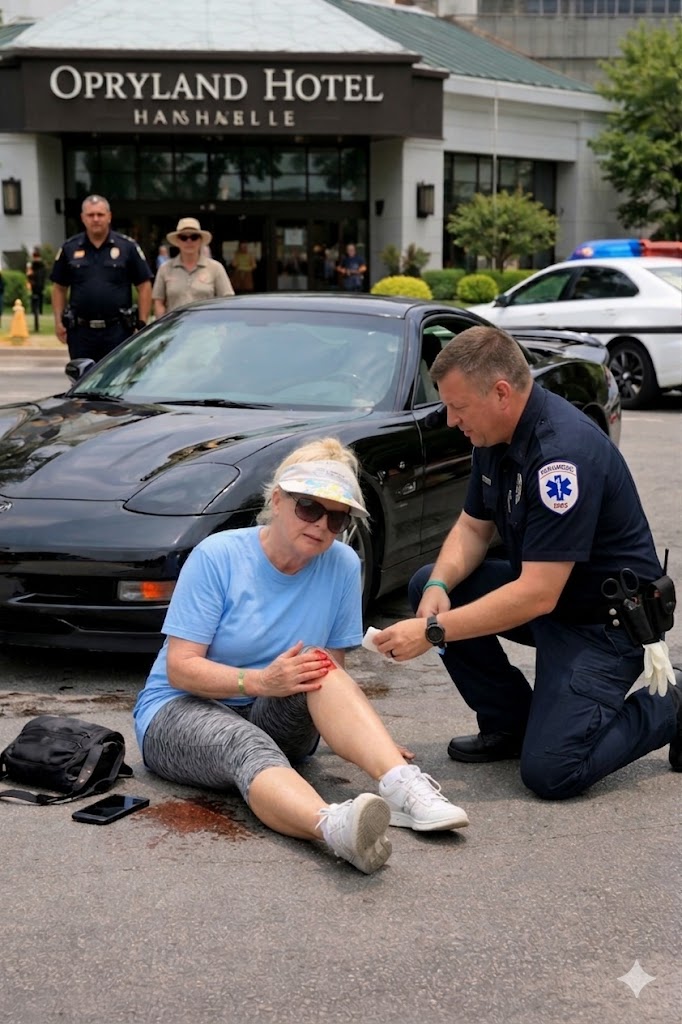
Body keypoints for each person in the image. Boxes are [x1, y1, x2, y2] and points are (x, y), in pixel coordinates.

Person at [133, 437, 469, 875]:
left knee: (318, 663)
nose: (322, 525)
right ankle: (334, 828)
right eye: (309, 507)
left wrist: (371, 743)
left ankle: (403, 788)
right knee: (245, 744)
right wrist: (259, 682)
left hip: (273, 711)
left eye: (337, 517)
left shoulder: (343, 564)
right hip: (179, 711)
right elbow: (180, 668)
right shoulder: (218, 555)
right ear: (277, 500)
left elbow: (332, 675)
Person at [374, 325, 680, 800]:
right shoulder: (492, 436)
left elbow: (538, 593)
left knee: (553, 772)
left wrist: (433, 632)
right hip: (551, 602)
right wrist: (437, 588)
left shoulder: (562, 457)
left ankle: (672, 703)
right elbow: (473, 528)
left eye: (458, 407)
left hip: (603, 625)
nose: (451, 420)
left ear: (501, 393)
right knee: (429, 584)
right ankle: (510, 724)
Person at [51, 195, 152, 362]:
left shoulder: (127, 247)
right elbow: (59, 288)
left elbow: (144, 285)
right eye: (91, 215)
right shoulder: (70, 248)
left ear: (109, 216)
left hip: (119, 331)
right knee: (83, 377)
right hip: (81, 333)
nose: (96, 219)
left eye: (100, 214)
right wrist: (58, 321)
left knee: (118, 377)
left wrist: (141, 324)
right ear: (83, 218)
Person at [153, 217, 234, 317]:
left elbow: (227, 301)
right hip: (176, 325)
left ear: (200, 240)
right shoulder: (165, 268)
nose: (189, 241)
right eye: (183, 237)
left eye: (194, 237)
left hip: (207, 325)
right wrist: (163, 323)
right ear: (177, 241)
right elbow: (159, 302)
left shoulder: (216, 268)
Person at [27, 247, 46, 333]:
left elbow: (42, 275)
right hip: (34, 286)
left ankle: (39, 311)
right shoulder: (33, 265)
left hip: (39, 285)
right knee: (34, 300)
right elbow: (29, 275)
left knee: (39, 299)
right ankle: (34, 311)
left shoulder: (40, 265)